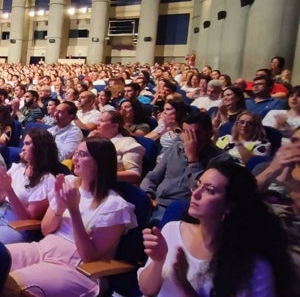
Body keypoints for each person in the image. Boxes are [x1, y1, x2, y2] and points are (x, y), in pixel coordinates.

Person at [138, 158, 298, 297]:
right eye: (198, 185)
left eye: (209, 190)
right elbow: (147, 290)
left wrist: (184, 285)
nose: (196, 193)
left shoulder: (254, 265)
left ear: (230, 206)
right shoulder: (172, 230)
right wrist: (158, 261)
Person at [4, 137, 137, 296]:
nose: (74, 158)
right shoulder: (69, 182)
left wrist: (74, 211)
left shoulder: (115, 205)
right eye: (76, 153)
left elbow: (89, 257)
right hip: (43, 247)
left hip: (76, 267)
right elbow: (46, 230)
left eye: (82, 154)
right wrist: (60, 207)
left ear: (99, 163)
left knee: (11, 285)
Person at [140, 113, 225, 221]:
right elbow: (152, 177)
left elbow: (199, 191)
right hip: (155, 202)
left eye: (195, 133)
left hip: (183, 210)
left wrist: (193, 159)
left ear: (209, 134)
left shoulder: (220, 160)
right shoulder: (175, 148)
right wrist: (147, 194)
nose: (189, 138)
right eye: (186, 132)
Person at [0, 128, 57, 244]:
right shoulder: (18, 168)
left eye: (27, 144)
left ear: (40, 148)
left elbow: (27, 218)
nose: (22, 148)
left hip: (17, 227)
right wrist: (0, 190)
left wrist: (9, 190)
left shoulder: (48, 180)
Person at [90, 111, 145, 184]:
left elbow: (135, 175)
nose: (98, 124)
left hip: (114, 188)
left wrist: (99, 176)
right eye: (98, 120)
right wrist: (88, 141)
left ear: (115, 126)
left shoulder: (127, 142)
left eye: (102, 121)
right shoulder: (96, 142)